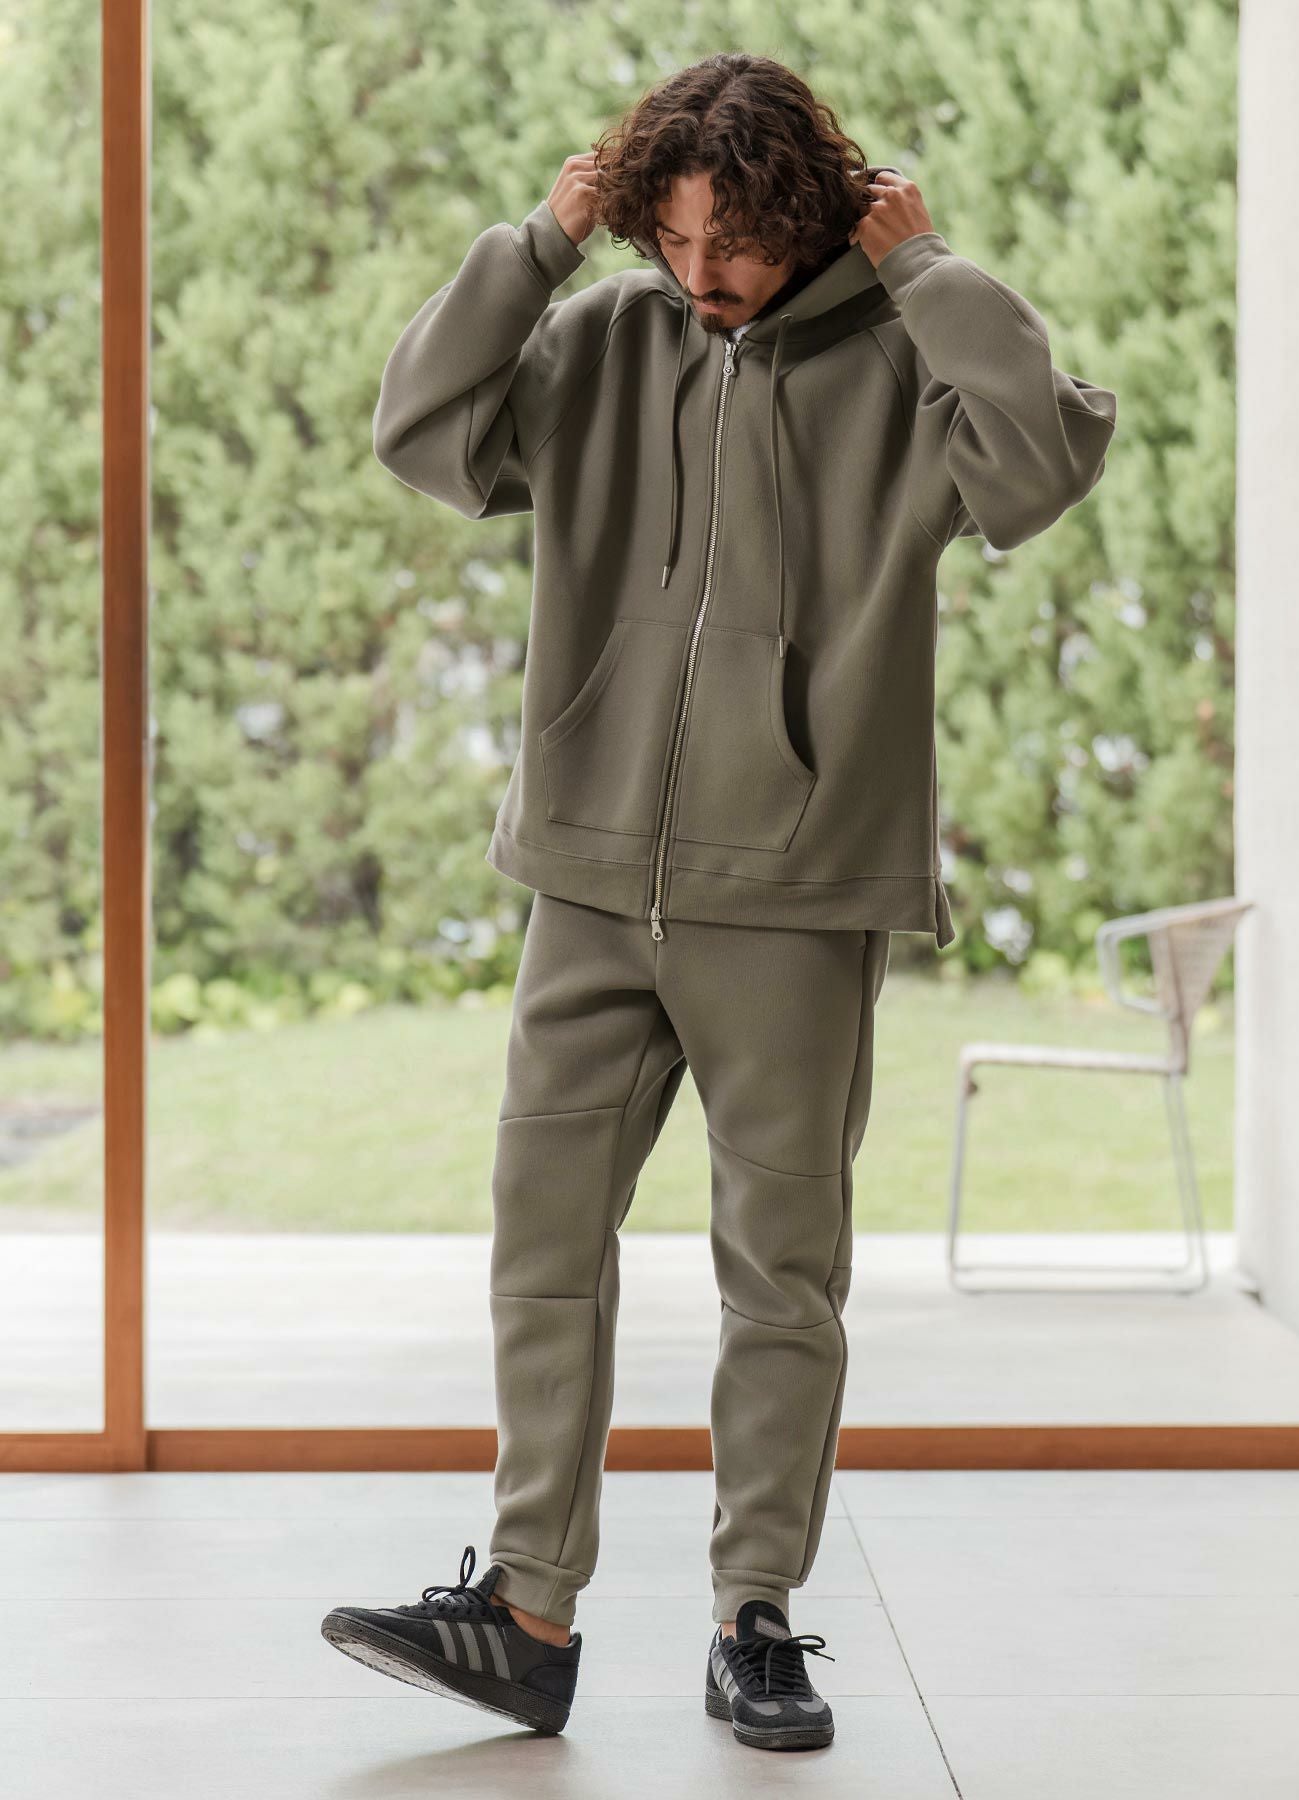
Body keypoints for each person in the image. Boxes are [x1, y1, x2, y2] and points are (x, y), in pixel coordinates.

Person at [320, 50, 1116, 1755]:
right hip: (589, 876)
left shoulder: (904, 355)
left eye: (734, 243)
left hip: (800, 891)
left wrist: (927, 267)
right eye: (671, 240)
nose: (702, 276)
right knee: (544, 1240)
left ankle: (756, 1619)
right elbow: (422, 431)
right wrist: (537, 246)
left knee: (782, 1275)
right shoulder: (605, 342)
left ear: (813, 214)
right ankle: (527, 1611)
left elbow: (1041, 463)